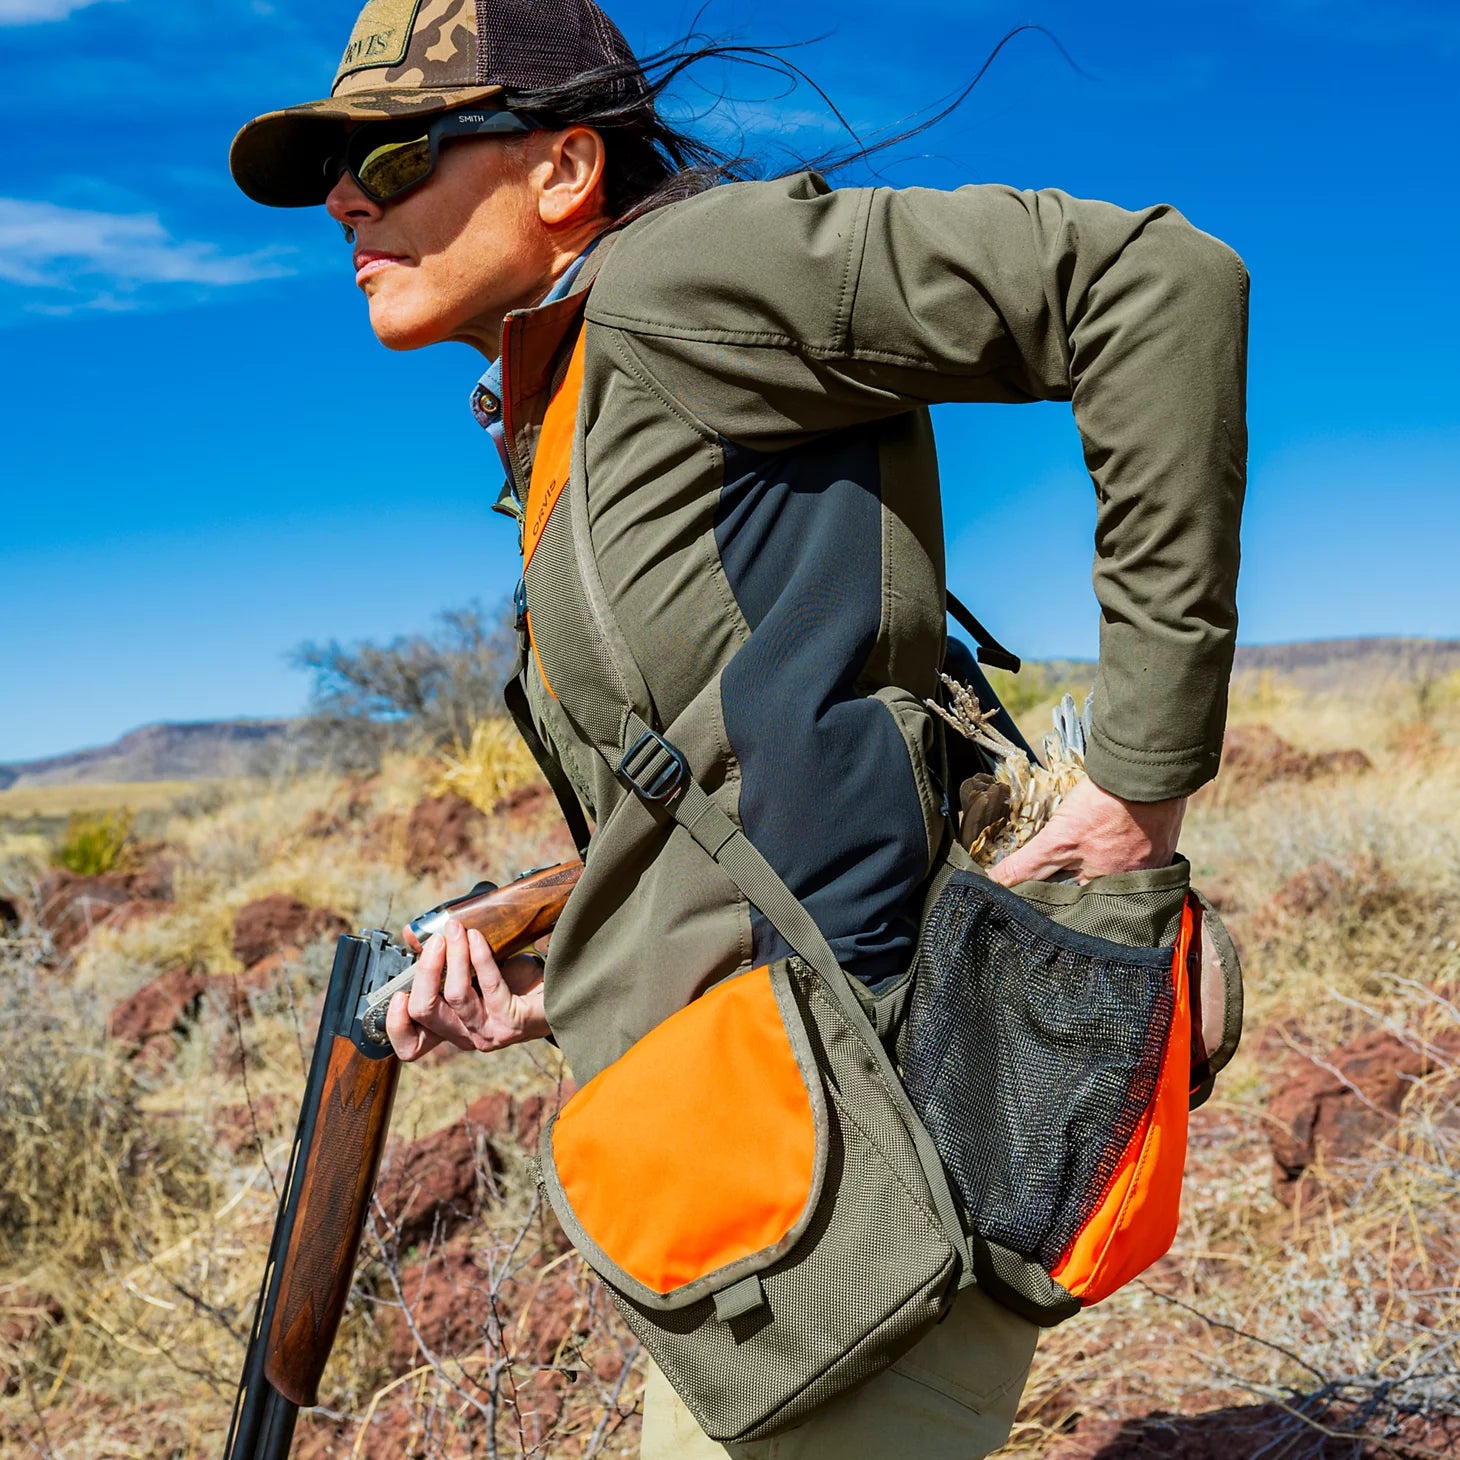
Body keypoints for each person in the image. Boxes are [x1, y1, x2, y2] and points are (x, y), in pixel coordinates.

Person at [230, 1, 1248, 1454]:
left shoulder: (684, 277)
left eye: (389, 157)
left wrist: (1145, 773)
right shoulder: (572, 388)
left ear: (565, 164)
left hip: (891, 1131)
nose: (344, 198)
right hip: (762, 1159)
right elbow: (739, 769)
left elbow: (1157, 282)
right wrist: (562, 989)